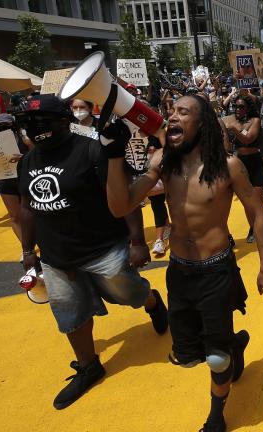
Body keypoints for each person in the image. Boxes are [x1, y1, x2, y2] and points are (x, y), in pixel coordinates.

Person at [106, 94, 263, 432]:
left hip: (216, 269)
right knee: (187, 356)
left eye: (183, 112)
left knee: (216, 358)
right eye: (171, 111)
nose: (173, 117)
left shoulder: (228, 166)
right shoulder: (162, 161)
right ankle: (234, 343)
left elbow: (257, 213)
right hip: (179, 271)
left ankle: (216, 417)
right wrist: (112, 153)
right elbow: (121, 206)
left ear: (202, 123)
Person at [16, 94, 168, 410]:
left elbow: (124, 196)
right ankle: (89, 366)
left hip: (103, 248)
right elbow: (28, 208)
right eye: (29, 123)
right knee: (70, 313)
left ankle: (152, 301)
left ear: (64, 121)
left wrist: (137, 241)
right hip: (56, 256)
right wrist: (27, 249)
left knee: (128, 295)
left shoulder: (92, 151)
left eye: (42, 121)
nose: (35, 128)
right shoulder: (28, 162)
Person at [222, 94, 263, 244]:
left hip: (255, 162)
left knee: (257, 200)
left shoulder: (255, 121)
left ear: (248, 108)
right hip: (240, 164)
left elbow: (248, 139)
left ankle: (260, 223)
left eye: (241, 107)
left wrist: (234, 129)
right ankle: (253, 227)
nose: (238, 109)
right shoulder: (230, 120)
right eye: (236, 107)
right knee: (247, 201)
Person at [0, 114, 30, 245]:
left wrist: (24, 157)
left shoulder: (24, 137)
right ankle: (26, 248)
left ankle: (42, 244)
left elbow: (38, 154)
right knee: (14, 216)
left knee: (34, 214)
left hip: (26, 178)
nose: (3, 129)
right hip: (6, 181)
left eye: (6, 125)